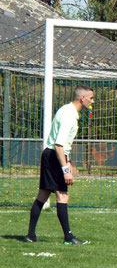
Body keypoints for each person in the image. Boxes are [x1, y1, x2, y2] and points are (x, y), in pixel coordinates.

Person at [24, 85, 95, 245]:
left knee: (43, 195)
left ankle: (30, 235)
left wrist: (68, 162)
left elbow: (62, 145)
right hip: (54, 156)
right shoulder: (69, 115)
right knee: (62, 195)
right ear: (82, 98)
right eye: (90, 98)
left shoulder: (68, 110)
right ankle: (68, 237)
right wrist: (65, 170)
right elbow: (59, 145)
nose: (92, 101)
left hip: (51, 155)